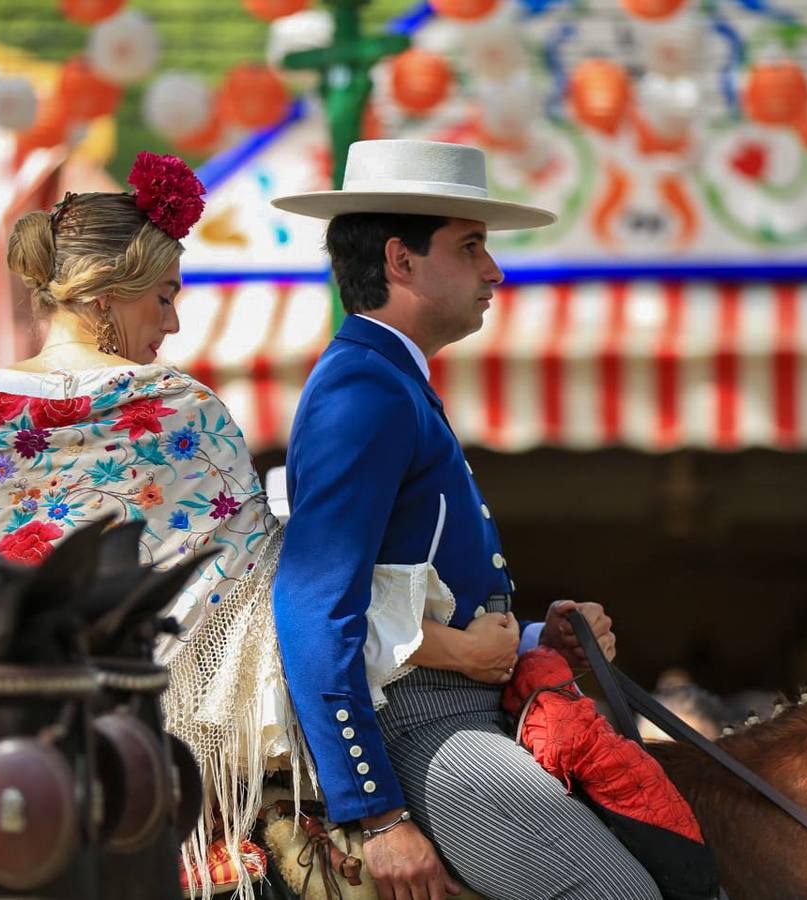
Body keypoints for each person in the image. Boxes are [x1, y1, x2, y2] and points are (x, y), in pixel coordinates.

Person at [0, 152, 519, 898]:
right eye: (164, 297)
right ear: (109, 295)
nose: (173, 322)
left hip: (1, 773)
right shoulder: (177, 409)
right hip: (160, 781)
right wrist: (450, 645)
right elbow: (277, 598)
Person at [270, 139, 661, 900]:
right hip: (424, 730)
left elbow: (412, 595)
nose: (494, 271)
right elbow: (313, 605)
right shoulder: (365, 389)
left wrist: (537, 639)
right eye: (471, 246)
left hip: (463, 715)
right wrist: (377, 811)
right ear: (401, 261)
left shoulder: (386, 380)